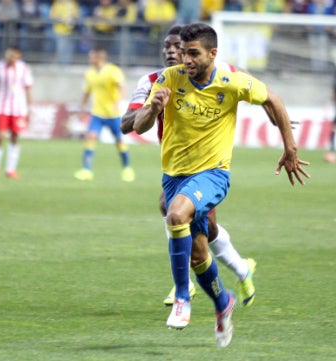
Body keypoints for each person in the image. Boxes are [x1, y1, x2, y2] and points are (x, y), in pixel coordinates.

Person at [132, 23, 310, 347]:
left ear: (213, 53)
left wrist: (290, 148)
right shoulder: (169, 78)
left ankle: (182, 297)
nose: (186, 59)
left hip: (213, 174)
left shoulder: (231, 82)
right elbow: (140, 126)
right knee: (199, 254)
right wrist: (154, 108)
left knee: (174, 215)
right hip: (174, 176)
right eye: (184, 53)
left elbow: (274, 100)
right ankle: (222, 303)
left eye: (194, 53)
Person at [121, 25, 256, 308]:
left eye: (178, 47)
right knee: (199, 226)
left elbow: (245, 77)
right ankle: (240, 269)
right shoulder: (151, 81)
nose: (172, 51)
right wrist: (151, 107)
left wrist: (274, 110)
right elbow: (125, 125)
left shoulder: (211, 71)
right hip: (176, 166)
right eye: (167, 47)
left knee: (184, 218)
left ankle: (187, 285)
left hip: (207, 163)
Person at [74, 48, 135, 182]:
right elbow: (87, 92)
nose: (89, 59)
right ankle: (86, 170)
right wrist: (82, 108)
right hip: (97, 113)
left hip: (113, 114)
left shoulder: (113, 70)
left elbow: (121, 86)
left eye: (91, 56)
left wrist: (118, 102)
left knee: (119, 142)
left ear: (99, 57)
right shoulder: (89, 73)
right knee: (90, 137)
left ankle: (127, 168)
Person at [0, 46, 34, 179]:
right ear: (5, 54)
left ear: (18, 57)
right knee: (0, 136)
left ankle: (10, 169)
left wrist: (29, 110)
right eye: (9, 55)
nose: (11, 58)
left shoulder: (24, 69)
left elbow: (28, 90)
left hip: (19, 109)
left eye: (14, 56)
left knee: (15, 137)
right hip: (2, 107)